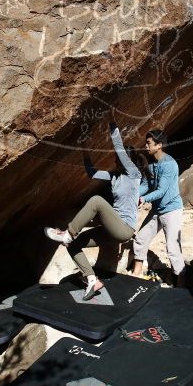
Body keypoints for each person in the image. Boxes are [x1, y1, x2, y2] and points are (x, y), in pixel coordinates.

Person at [44, 122, 142, 300]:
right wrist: (85, 149)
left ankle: (69, 232)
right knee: (72, 244)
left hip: (124, 228)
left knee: (96, 201)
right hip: (110, 231)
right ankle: (91, 280)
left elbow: (119, 148)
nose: (114, 160)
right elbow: (92, 173)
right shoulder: (115, 177)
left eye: (117, 158)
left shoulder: (133, 174)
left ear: (125, 160)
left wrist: (112, 124)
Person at [131, 129, 185, 287]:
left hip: (171, 210)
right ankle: (137, 273)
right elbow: (147, 184)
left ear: (159, 145)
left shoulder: (169, 164)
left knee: (173, 248)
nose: (145, 146)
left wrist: (143, 199)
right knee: (140, 239)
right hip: (157, 211)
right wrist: (134, 195)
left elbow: (161, 191)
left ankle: (182, 283)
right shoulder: (152, 163)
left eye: (148, 143)